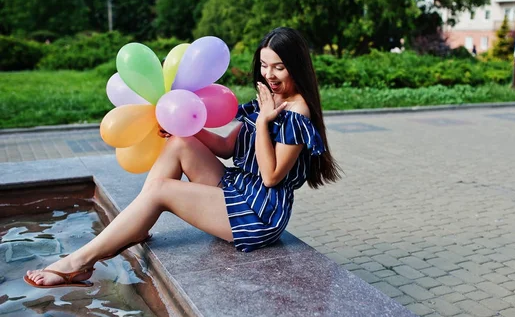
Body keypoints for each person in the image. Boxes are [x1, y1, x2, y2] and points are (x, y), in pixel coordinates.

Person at [24, 27, 342, 288]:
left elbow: (272, 176)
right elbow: (228, 148)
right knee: (179, 142)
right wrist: (185, 127)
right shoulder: (269, 97)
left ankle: (78, 262)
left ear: (296, 66)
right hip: (240, 188)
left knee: (162, 190)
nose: (268, 74)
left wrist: (262, 122)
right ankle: (137, 224)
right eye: (264, 65)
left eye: (279, 67)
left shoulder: (297, 112)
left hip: (259, 215)